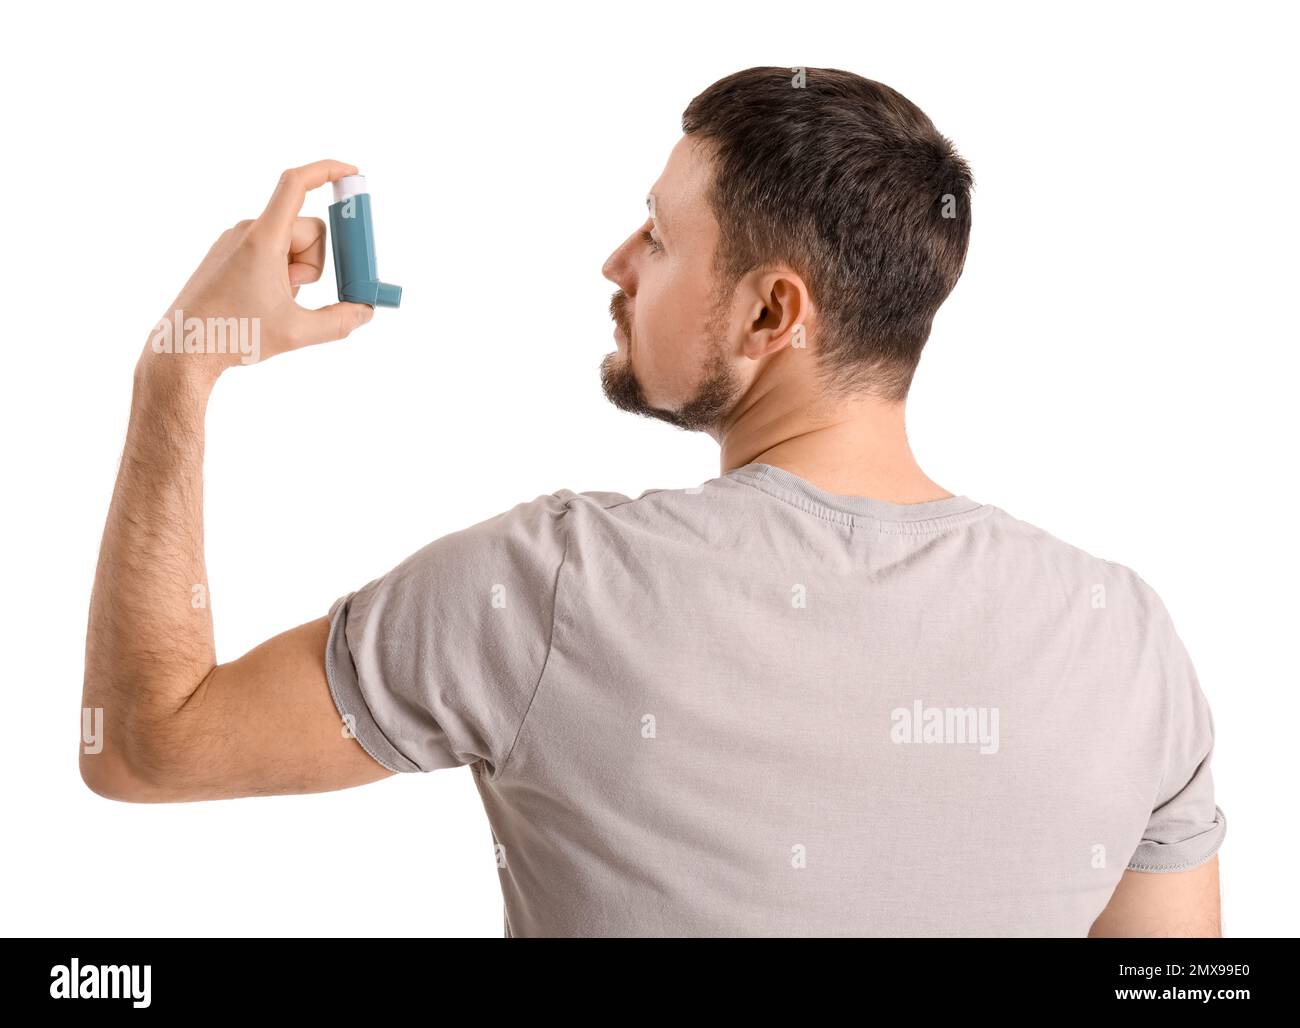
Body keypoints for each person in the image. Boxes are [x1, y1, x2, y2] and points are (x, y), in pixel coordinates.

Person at [80, 67, 1226, 938]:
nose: (616, 262)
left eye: (662, 238)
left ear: (774, 315)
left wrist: (180, 365)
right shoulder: (1121, 633)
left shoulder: (550, 589)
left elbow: (146, 744)